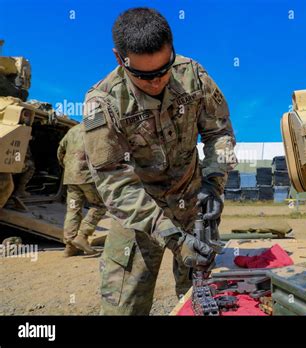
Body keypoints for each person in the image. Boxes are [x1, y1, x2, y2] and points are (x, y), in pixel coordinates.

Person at [82, 7, 237, 315]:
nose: (156, 82)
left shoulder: (193, 75)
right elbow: (115, 184)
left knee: (203, 301)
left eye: (163, 70)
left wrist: (213, 183)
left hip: (195, 207)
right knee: (124, 308)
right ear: (119, 58)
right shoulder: (103, 103)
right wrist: (170, 235)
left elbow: (220, 134)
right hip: (138, 216)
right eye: (143, 75)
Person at [57, 124, 107, 257]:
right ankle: (83, 236)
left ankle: (69, 246)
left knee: (73, 209)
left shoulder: (72, 130)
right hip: (87, 177)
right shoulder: (98, 129)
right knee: (100, 205)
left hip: (71, 177)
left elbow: (60, 151)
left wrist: (68, 166)